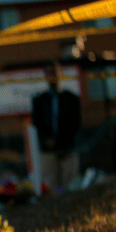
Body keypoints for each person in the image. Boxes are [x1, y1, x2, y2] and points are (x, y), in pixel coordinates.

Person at [31, 63, 82, 191]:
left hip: (68, 150)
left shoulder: (71, 99)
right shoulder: (39, 100)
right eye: (49, 74)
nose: (52, 77)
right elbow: (37, 124)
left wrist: (62, 144)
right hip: (48, 152)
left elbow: (75, 124)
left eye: (54, 73)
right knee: (50, 187)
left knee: (71, 187)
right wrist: (48, 141)